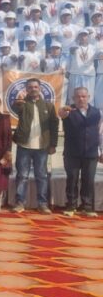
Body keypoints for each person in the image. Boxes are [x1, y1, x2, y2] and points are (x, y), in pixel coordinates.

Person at [11, 77, 59, 214]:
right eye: (30, 87)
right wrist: (18, 101)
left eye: (36, 87)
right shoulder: (22, 104)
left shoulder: (48, 106)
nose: (33, 89)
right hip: (24, 146)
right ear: (26, 89)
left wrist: (53, 144)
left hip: (42, 147)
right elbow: (16, 108)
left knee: (42, 176)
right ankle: (20, 203)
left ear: (40, 89)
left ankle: (42, 204)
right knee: (22, 176)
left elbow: (54, 126)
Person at [59, 86, 103, 217]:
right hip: (72, 153)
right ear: (73, 98)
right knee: (72, 179)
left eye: (83, 96)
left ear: (88, 97)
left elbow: (101, 133)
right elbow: (60, 113)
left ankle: (87, 206)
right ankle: (71, 206)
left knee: (88, 180)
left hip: (91, 153)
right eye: (78, 96)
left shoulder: (97, 113)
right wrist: (63, 110)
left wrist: (102, 150)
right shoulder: (68, 111)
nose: (81, 99)